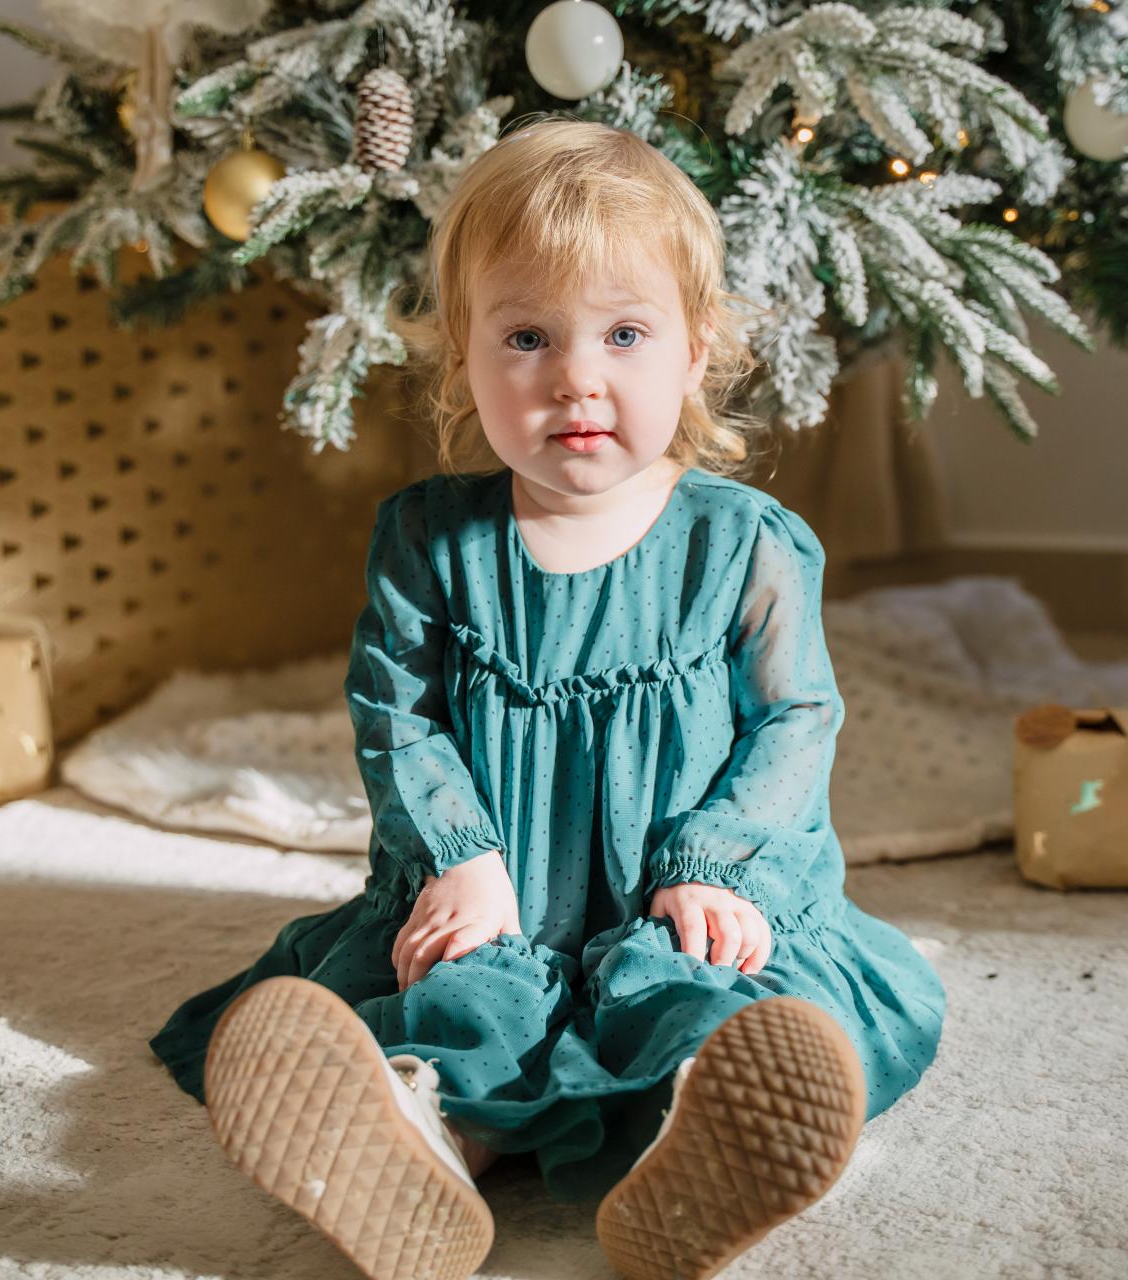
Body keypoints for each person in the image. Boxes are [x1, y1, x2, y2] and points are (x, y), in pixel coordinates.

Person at [149, 116, 946, 1280]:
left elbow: (795, 719)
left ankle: (699, 1131)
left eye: (625, 334)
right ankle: (424, 1137)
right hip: (498, 896)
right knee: (461, 996)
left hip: (680, 894)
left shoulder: (744, 542)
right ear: (462, 361)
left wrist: (719, 864)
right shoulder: (431, 540)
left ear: (695, 351)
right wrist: (458, 857)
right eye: (527, 336)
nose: (577, 376)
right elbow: (398, 715)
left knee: (698, 989)